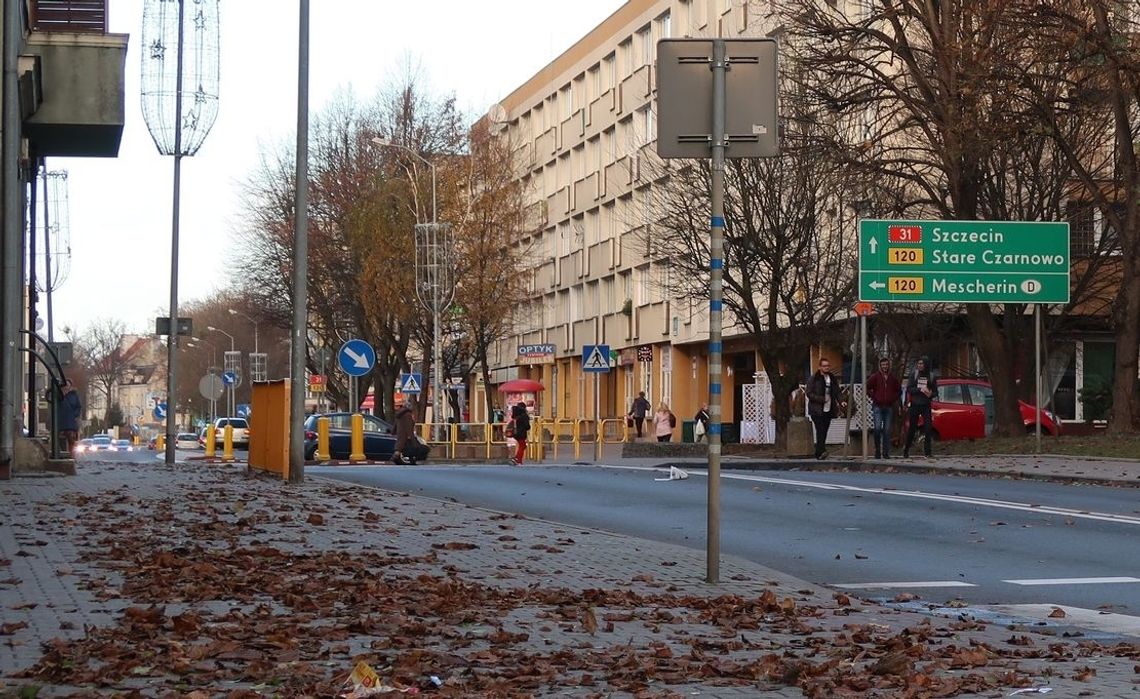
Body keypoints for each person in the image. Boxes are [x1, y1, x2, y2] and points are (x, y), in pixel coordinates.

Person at [806, 357, 845, 460]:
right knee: (820, 430)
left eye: (828, 366)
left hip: (829, 408)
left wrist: (841, 401)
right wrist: (821, 399)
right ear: (819, 367)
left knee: (825, 430)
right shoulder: (814, 378)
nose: (826, 368)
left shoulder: (832, 378)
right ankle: (820, 452)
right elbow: (809, 393)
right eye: (824, 366)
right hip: (817, 409)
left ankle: (820, 451)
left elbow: (837, 391)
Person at [866, 357, 902, 459]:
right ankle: (877, 451)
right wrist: (874, 397)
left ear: (888, 365)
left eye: (886, 365)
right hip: (877, 406)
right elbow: (867, 387)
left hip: (889, 407)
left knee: (887, 430)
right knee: (877, 429)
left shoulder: (892, 378)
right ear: (880, 366)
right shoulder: (875, 377)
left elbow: (899, 390)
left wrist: (893, 398)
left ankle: (886, 452)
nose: (885, 367)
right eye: (883, 365)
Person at [903, 356, 938, 458]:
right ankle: (906, 449)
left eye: (922, 364)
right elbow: (909, 389)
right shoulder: (914, 375)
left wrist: (930, 394)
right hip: (915, 404)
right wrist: (919, 389)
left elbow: (935, 392)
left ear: (926, 365)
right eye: (918, 364)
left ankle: (927, 451)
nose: (920, 366)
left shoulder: (931, 376)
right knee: (912, 428)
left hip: (926, 405)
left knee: (928, 428)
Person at [54, 379, 82, 455]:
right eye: (65, 385)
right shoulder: (58, 395)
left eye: (68, 385)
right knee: (61, 440)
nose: (66, 387)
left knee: (71, 440)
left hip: (71, 423)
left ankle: (70, 454)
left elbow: (78, 407)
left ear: (71, 386)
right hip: (61, 422)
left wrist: (75, 415)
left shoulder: (74, 395)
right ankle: (63, 453)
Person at [391, 399, 416, 465]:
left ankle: (396, 458)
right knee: (410, 447)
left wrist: (393, 432)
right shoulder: (408, 414)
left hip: (400, 433)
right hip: (406, 433)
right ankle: (396, 458)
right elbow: (409, 426)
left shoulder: (400, 413)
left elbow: (395, 424)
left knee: (400, 447)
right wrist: (410, 435)